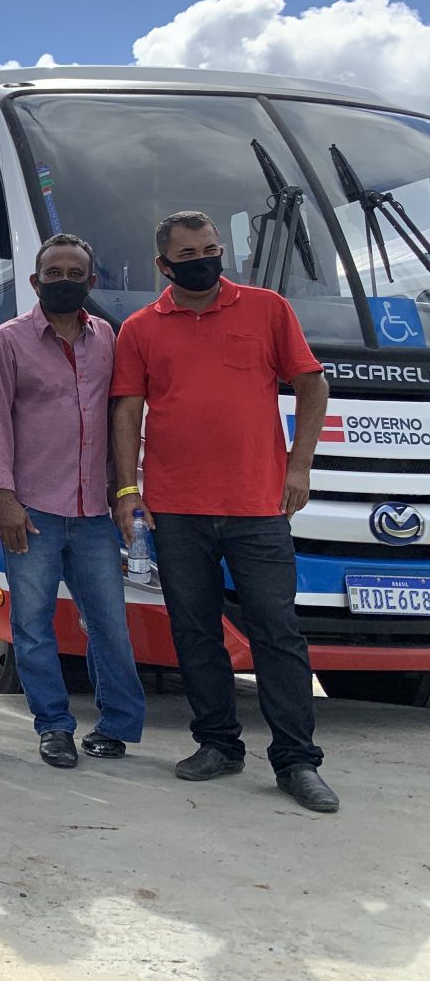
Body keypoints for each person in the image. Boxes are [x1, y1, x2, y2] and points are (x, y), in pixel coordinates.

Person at [111, 211, 338, 812]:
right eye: (188, 254)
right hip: (177, 509)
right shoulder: (139, 328)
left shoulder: (267, 309)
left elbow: (312, 386)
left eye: (211, 249)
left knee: (277, 632)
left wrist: (299, 465)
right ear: (164, 265)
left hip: (258, 504)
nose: (204, 260)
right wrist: (127, 492)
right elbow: (128, 412)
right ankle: (217, 743)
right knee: (195, 631)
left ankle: (295, 761)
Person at [0, 233, 147, 769]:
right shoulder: (5, 342)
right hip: (33, 511)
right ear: (35, 281)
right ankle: (53, 727)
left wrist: (127, 491)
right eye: (55, 274)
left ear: (92, 282)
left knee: (110, 625)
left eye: (76, 274)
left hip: (96, 511)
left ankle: (116, 725)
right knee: (32, 628)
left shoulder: (111, 341)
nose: (65, 282)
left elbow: (124, 419)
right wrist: (4, 496)